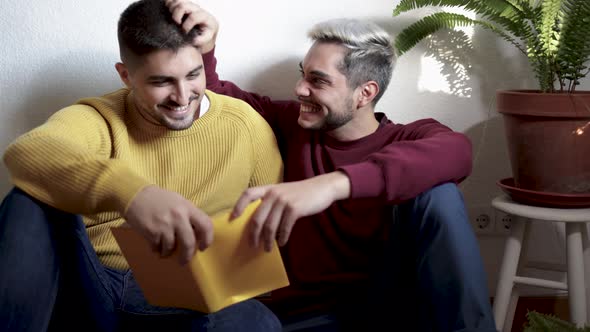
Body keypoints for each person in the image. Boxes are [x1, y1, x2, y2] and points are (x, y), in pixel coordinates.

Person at [165, 1, 497, 331]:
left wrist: (330, 186)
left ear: (365, 93)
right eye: (302, 74)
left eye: (318, 81)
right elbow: (218, 99)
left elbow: (458, 151)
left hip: (387, 310)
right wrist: (205, 47)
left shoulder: (408, 137)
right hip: (300, 318)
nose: (299, 89)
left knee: (438, 193)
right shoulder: (291, 124)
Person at [0, 0, 283, 331]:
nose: (182, 96)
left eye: (193, 75)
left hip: (185, 298)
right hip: (90, 282)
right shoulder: (99, 118)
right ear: (126, 76)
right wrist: (132, 193)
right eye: (161, 82)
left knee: (256, 320)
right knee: (28, 200)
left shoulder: (244, 124)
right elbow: (27, 152)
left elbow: (271, 225)